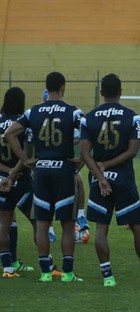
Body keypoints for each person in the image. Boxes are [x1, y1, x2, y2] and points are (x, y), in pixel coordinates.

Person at [80, 73, 140, 287]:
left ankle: (108, 277)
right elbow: (133, 149)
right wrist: (109, 166)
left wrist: (100, 175)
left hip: (98, 179)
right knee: (136, 226)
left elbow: (84, 153)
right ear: (120, 92)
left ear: (101, 92)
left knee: (101, 228)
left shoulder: (88, 118)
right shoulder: (132, 117)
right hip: (124, 179)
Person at [4, 72, 83, 282]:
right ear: (63, 87)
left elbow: (9, 134)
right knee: (67, 223)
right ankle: (67, 273)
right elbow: (89, 131)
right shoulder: (72, 111)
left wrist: (26, 159)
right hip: (63, 169)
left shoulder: (33, 111)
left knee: (42, 224)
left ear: (46, 88)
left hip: (41, 170)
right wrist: (82, 159)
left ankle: (45, 273)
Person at [42, 90, 90, 243]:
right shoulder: (39, 116)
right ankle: (49, 230)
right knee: (47, 199)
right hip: (45, 163)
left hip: (62, 162)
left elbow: (79, 136)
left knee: (79, 181)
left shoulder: (64, 116)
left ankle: (81, 215)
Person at [0, 87, 36, 277]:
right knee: (38, 220)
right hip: (20, 179)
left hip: (1, 179)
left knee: (4, 223)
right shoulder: (22, 124)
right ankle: (49, 266)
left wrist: (5, 173)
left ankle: (8, 267)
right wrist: (14, 174)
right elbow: (28, 155)